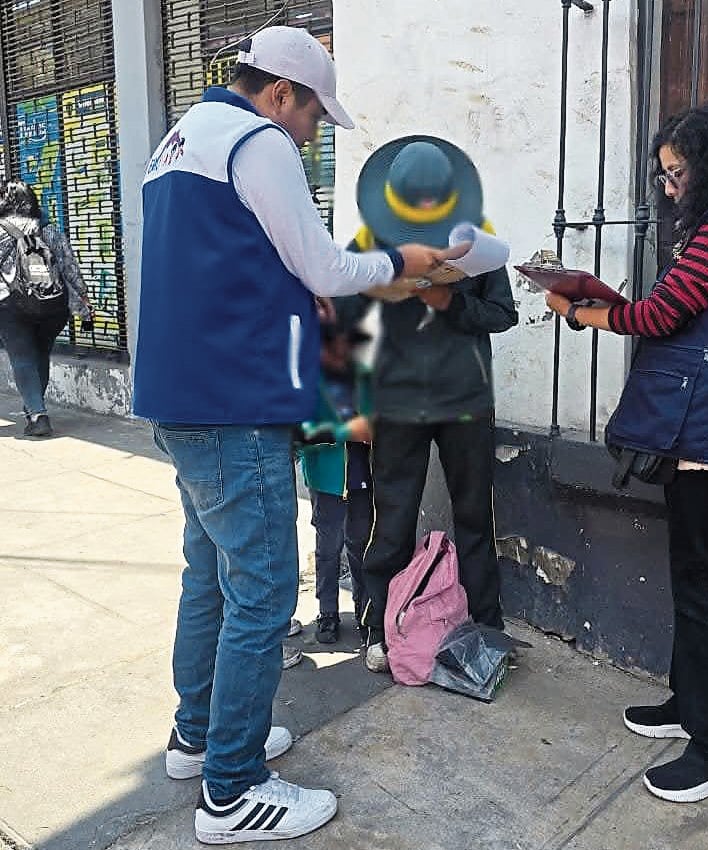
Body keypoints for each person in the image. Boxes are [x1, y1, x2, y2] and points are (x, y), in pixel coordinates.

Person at [133, 26, 453, 845]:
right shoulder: (258, 141)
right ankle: (233, 790)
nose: (310, 136)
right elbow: (326, 267)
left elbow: (223, 267)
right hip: (235, 404)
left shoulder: (179, 142)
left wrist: (289, 293)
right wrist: (404, 260)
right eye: (312, 116)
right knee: (265, 589)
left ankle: (198, 736)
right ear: (280, 93)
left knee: (210, 576)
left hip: (181, 396)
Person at [545, 102, 708, 803]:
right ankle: (691, 705)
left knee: (706, 588)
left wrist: (579, 310)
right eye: (664, 174)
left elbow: (660, 315)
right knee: (695, 579)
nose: (670, 185)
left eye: (678, 172)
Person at [337, 135, 519, 674]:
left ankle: (487, 630)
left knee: (475, 518)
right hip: (397, 403)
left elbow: (503, 314)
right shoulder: (370, 242)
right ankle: (379, 629)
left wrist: (450, 300)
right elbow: (341, 320)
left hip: (466, 403)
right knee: (392, 520)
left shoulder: (476, 240)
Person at [298, 316, 374, 644]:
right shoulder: (309, 380)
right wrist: (344, 431)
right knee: (328, 549)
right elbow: (301, 434)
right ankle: (327, 611)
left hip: (362, 478)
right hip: (327, 481)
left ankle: (365, 609)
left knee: (361, 546)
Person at [0, 181, 92, 437]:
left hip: (11, 304)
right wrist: (84, 299)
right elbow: (69, 267)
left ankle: (37, 414)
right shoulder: (48, 228)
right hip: (53, 303)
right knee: (41, 353)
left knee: (22, 357)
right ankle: (34, 408)